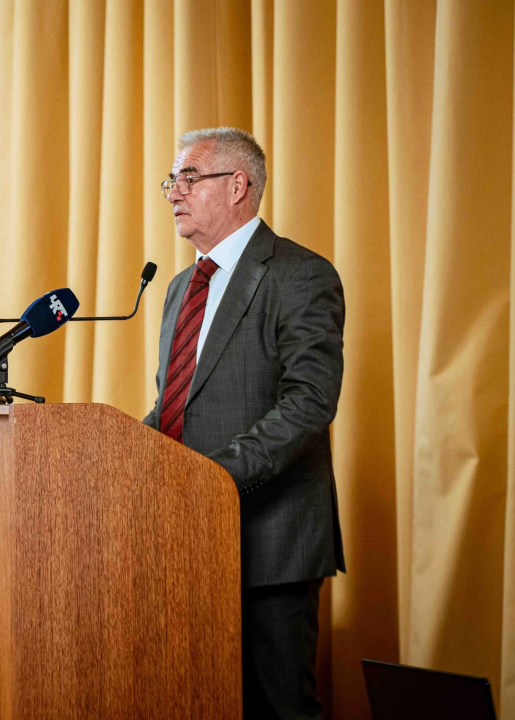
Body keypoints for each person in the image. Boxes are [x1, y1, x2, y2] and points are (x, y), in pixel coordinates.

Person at [142, 127, 345, 720]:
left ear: (238, 185)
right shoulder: (179, 287)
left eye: (189, 178)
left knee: (279, 709)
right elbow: (175, 405)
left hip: (271, 542)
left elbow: (309, 402)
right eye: (171, 181)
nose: (175, 192)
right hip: (189, 539)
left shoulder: (300, 274)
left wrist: (213, 479)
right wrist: (122, 453)